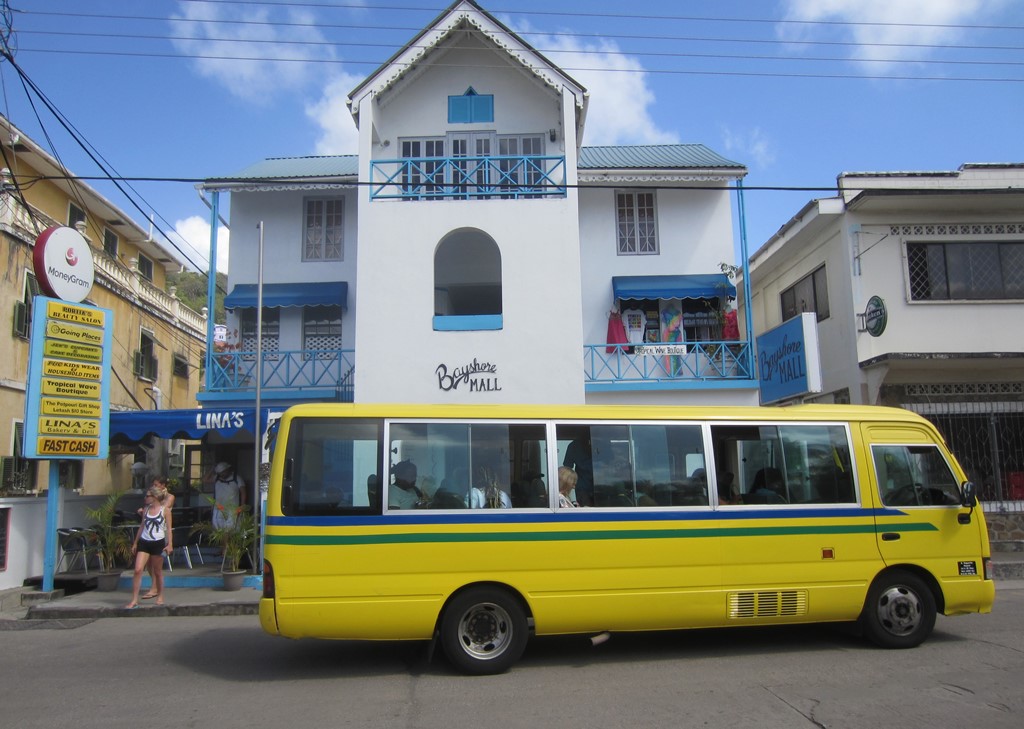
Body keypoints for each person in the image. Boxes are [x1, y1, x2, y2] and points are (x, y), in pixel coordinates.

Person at [125, 486, 171, 608]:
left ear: (154, 497)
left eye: (148, 496)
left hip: (158, 542)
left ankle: (160, 595)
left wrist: (170, 544)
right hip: (145, 541)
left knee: (157, 571)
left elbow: (169, 529)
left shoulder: (165, 510)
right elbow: (142, 526)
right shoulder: (146, 510)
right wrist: (135, 542)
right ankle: (134, 599)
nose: (145, 498)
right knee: (138, 569)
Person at [138, 477, 174, 599]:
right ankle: (154, 585)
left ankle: (155, 589)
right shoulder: (150, 499)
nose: (154, 487)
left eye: (156, 485)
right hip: (149, 533)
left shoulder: (169, 496)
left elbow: (165, 507)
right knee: (148, 563)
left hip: (161, 532)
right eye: (153, 485)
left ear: (163, 485)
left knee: (156, 565)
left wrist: (157, 498)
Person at [205, 461, 246, 528]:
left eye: (223, 472)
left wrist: (241, 506)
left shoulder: (237, 478)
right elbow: (205, 480)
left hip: (232, 508)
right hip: (218, 508)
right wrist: (212, 469)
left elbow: (243, 492)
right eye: (220, 473)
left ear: (227, 470)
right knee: (217, 529)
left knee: (231, 529)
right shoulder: (216, 478)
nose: (222, 475)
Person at [563, 436, 594, 506]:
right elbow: (567, 468)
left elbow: (567, 466)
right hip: (583, 487)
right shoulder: (574, 446)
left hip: (603, 484)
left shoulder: (603, 443)